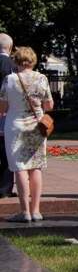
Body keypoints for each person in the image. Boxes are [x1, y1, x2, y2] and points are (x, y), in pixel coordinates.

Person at [0, 47, 53, 222]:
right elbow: (49, 106)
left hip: (15, 126)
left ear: (16, 61)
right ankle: (36, 211)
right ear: (33, 61)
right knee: (35, 167)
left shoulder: (10, 79)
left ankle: (25, 212)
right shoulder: (42, 78)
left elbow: (2, 108)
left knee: (20, 168)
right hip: (37, 127)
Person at [0, 33, 15, 197]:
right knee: (6, 152)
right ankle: (4, 188)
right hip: (5, 113)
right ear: (10, 48)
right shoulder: (12, 65)